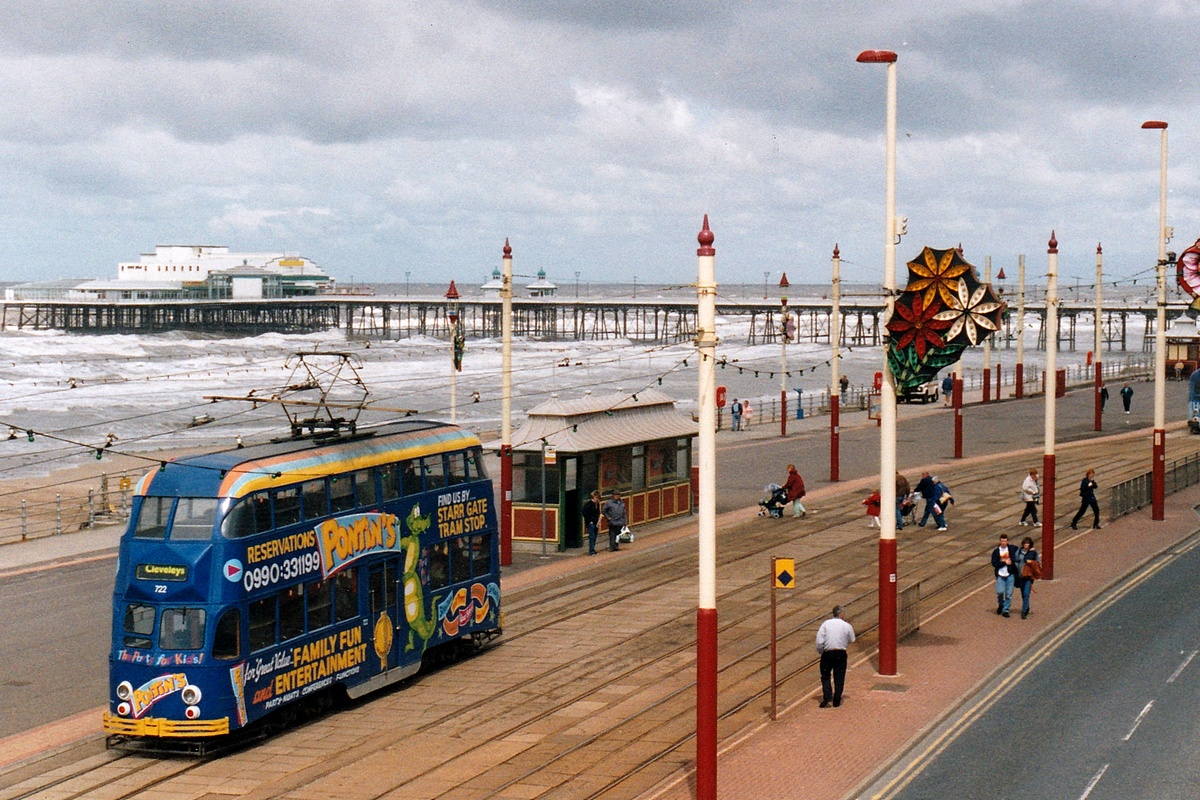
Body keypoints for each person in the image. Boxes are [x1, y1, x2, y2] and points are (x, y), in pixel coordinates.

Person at [815, 605, 855, 708]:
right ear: (841, 614)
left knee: (825, 675)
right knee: (839, 676)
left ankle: (827, 696)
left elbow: (819, 641)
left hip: (827, 653)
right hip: (841, 653)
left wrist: (821, 651)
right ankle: (837, 698)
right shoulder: (847, 626)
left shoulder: (826, 624)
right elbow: (852, 639)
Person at [991, 533, 1020, 617]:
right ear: (1000, 541)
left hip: (1010, 574)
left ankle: (1005, 610)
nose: (1003, 542)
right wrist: (1004, 563)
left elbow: (1019, 552)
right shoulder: (996, 551)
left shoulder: (1012, 549)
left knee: (1008, 594)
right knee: (1000, 592)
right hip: (1000, 575)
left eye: (1005, 541)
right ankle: (1001, 604)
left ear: (1007, 541)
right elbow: (994, 563)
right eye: (1002, 541)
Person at [1014, 536, 1040, 619]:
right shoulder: (1019, 552)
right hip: (1021, 575)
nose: (1026, 545)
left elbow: (1037, 563)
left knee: (1026, 593)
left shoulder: (1034, 553)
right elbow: (1016, 561)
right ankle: (1026, 606)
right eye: (1025, 543)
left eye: (1027, 543)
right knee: (1023, 593)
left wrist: (1031, 562)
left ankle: (1024, 611)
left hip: (1029, 576)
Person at [582, 490, 601, 556]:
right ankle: (591, 550)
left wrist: (598, 520)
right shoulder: (589, 504)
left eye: (597, 498)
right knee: (592, 536)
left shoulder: (597, 504)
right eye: (596, 498)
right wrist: (590, 521)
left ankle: (593, 549)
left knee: (595, 536)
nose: (597, 499)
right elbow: (585, 513)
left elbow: (598, 513)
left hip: (596, 522)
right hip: (591, 523)